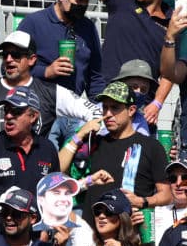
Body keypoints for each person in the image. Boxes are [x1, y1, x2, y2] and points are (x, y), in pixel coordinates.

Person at [0, 32, 100, 158]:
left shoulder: (50, 91)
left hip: (33, 174)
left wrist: (80, 140)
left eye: (16, 55)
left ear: (32, 59)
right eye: (4, 54)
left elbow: (95, 112)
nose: (8, 59)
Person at [60, 81, 171, 215]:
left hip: (129, 231)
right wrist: (79, 135)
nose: (108, 114)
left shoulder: (151, 146)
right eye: (105, 107)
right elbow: (59, 170)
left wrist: (142, 201)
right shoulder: (93, 142)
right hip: (91, 230)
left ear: (131, 110)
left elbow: (166, 195)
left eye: (115, 107)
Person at [0, 87, 61, 214]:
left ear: (33, 116)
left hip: (34, 231)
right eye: (6, 111)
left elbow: (53, 193)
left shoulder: (47, 149)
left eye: (16, 111)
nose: (8, 116)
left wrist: (45, 229)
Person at [17, 0, 105, 98]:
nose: (83, 4)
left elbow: (96, 76)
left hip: (73, 109)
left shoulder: (88, 27)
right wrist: (46, 71)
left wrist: (99, 107)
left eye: (87, 0)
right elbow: (11, 68)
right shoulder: (33, 23)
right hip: (37, 106)